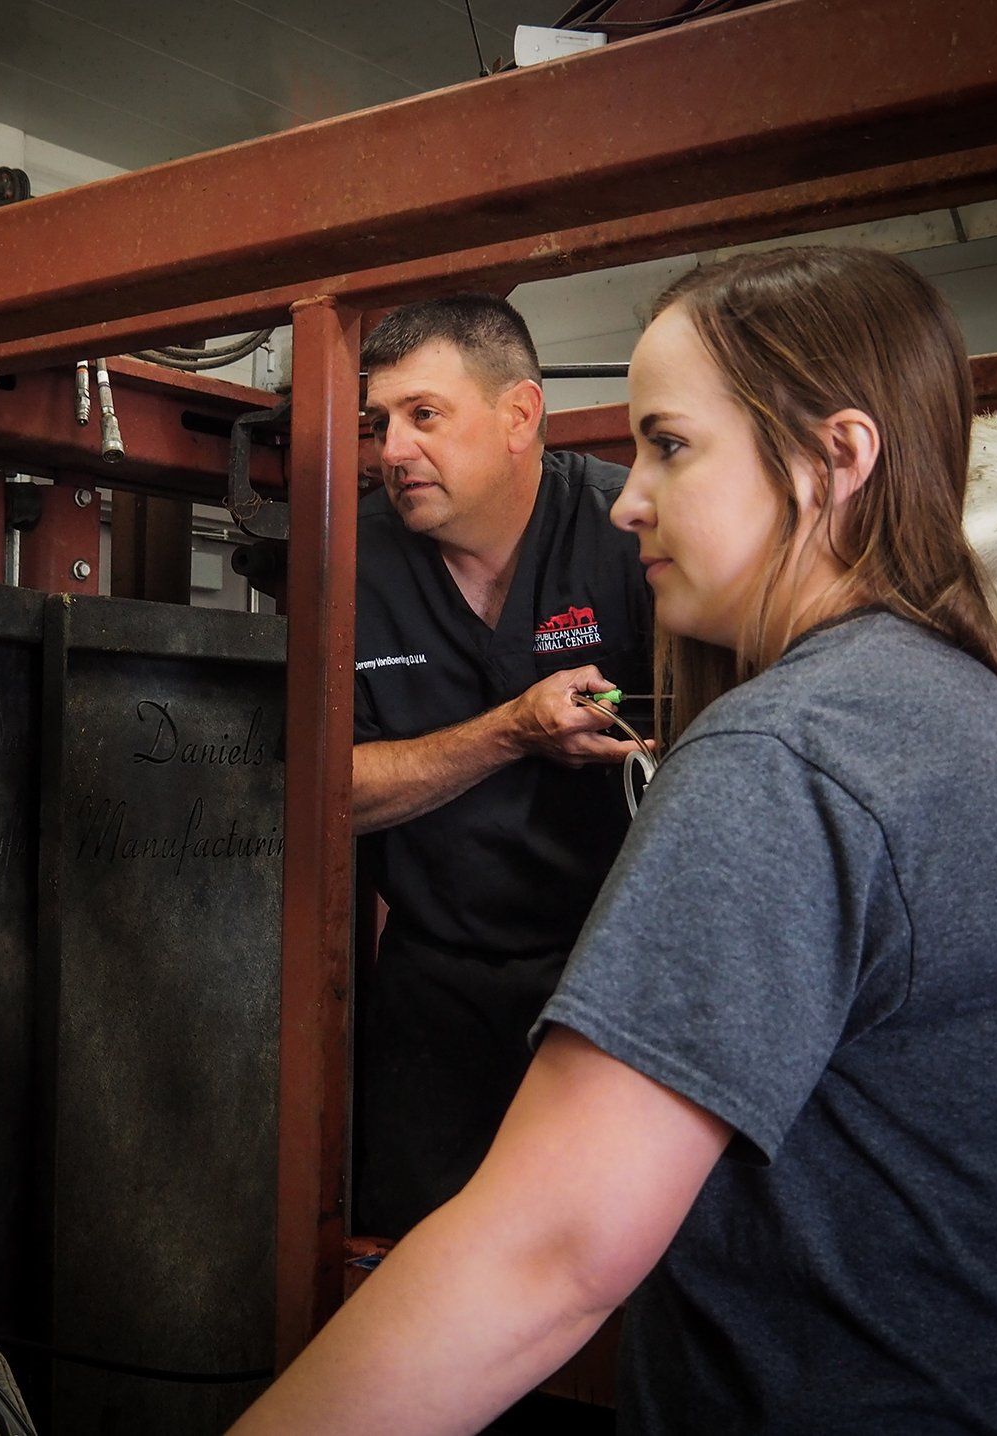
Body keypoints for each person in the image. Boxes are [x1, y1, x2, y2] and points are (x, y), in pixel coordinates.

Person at [232, 246, 997, 1435]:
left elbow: (545, 1256)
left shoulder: (785, 754)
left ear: (837, 458)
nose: (628, 497)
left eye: (671, 444)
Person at [350, 295, 654, 1241]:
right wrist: (513, 728)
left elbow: (694, 735)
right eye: (379, 422)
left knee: (597, 1267)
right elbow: (324, 794)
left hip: (611, 992)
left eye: (423, 415)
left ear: (520, 416)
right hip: (433, 990)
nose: (392, 449)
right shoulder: (351, 558)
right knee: (409, 1256)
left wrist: (621, 721)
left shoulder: (630, 533)